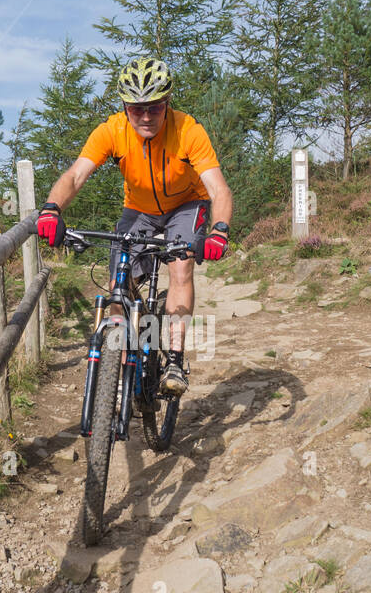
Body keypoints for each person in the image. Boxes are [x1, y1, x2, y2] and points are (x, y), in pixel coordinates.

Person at [36, 56, 233, 397]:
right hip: (139, 210)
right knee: (119, 282)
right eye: (136, 107)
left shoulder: (189, 130)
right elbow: (75, 175)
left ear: (167, 103)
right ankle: (119, 358)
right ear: (125, 106)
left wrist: (219, 230)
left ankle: (173, 359)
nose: (145, 116)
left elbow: (218, 188)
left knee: (181, 268)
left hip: (187, 205)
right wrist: (52, 209)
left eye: (154, 108)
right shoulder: (112, 130)